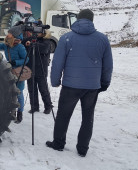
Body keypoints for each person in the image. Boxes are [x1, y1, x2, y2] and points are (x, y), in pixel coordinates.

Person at [46, 9, 113, 157]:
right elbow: (108, 65)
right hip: (92, 87)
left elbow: (57, 63)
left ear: (78, 19)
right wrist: (104, 82)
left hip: (70, 85)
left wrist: (55, 81)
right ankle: (83, 148)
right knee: (88, 117)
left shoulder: (67, 38)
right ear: (92, 20)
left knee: (63, 115)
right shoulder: (102, 39)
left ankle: (58, 143)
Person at [0, 25, 29, 123]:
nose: (7, 34)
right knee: (10, 92)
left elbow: (26, 59)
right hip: (9, 72)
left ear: (14, 35)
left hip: (18, 73)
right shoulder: (6, 44)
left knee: (19, 93)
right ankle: (12, 112)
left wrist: (15, 62)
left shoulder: (20, 47)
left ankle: (20, 113)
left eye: (9, 33)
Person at [22, 26, 53, 114]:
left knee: (43, 89)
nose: (37, 33)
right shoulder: (32, 39)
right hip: (30, 68)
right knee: (32, 89)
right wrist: (30, 38)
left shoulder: (46, 41)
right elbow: (23, 42)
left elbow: (44, 48)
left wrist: (32, 44)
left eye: (39, 32)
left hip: (41, 69)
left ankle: (48, 106)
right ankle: (34, 106)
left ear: (44, 32)